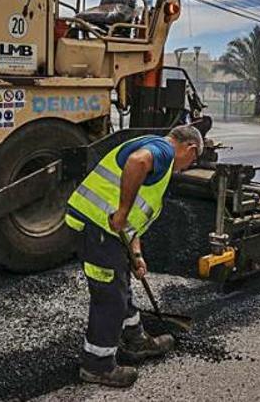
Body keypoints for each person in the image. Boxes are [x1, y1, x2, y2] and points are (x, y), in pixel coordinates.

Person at [63, 125, 205, 388]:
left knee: (121, 285)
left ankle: (136, 341)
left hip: (106, 231)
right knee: (110, 298)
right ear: (190, 148)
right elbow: (137, 162)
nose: (186, 168)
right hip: (98, 229)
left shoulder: (156, 150)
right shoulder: (164, 151)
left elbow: (133, 221)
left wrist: (136, 255)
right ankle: (96, 366)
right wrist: (122, 211)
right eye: (192, 161)